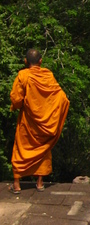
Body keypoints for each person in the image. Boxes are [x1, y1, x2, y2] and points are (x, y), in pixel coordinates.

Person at [9, 49, 70, 194]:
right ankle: (40, 183)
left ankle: (16, 185)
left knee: (20, 149)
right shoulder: (47, 75)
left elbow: (16, 99)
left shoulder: (23, 75)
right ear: (40, 61)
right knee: (42, 149)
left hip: (28, 122)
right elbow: (61, 96)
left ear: (25, 61)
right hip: (45, 122)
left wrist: (19, 105)